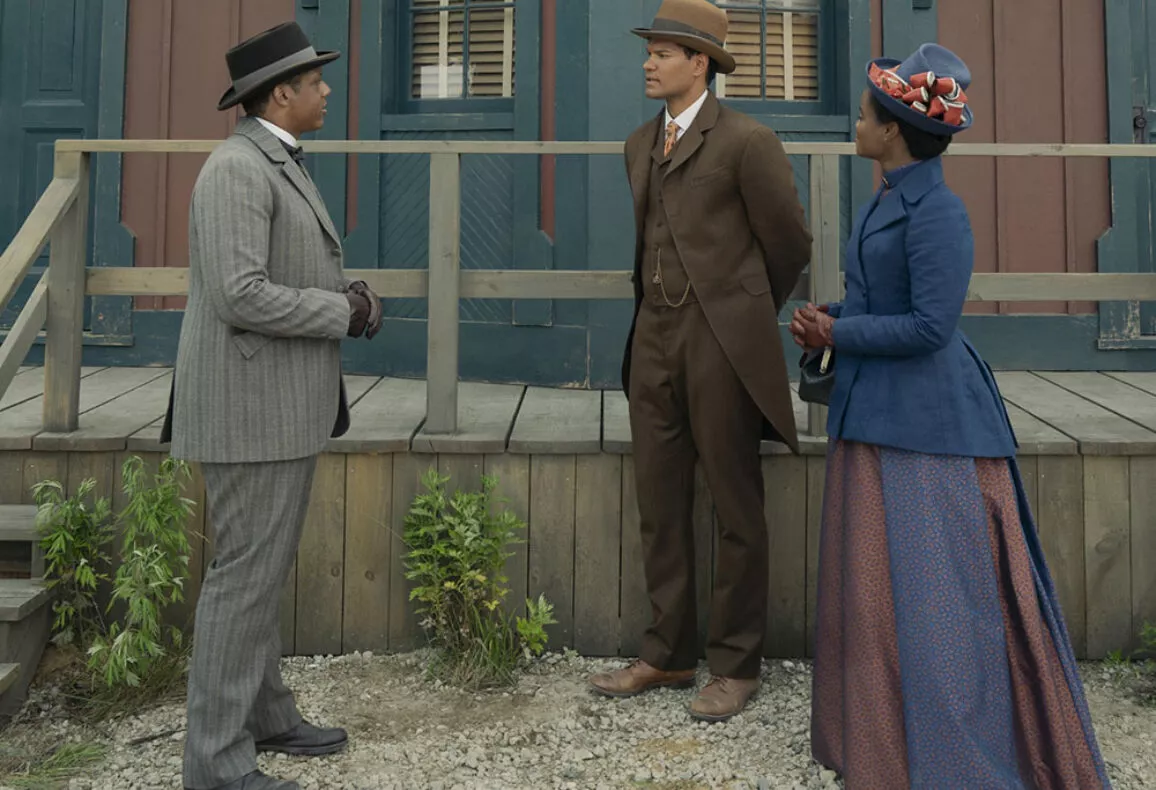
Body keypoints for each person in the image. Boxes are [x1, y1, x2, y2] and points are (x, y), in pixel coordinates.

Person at [790, 43, 1112, 789]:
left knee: (939, 607)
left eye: (868, 114)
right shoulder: (890, 195)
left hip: (930, 431)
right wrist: (831, 316)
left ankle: (959, 757)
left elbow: (931, 326)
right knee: (873, 597)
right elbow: (885, 305)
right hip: (878, 417)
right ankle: (885, 747)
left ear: (894, 130)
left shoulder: (939, 212)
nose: (859, 122)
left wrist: (836, 333)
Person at [159, 21, 383, 790]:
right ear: (280, 93)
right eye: (315, 80)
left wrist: (345, 296)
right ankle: (216, 765)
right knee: (243, 580)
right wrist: (341, 312)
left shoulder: (271, 160)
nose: (326, 89)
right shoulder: (236, 170)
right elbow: (239, 294)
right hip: (249, 412)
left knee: (256, 572)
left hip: (276, 407)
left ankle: (266, 714)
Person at [587, 0, 813, 722]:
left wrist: (740, 309)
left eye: (662, 51)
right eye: (649, 51)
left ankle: (737, 664)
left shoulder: (748, 141)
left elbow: (788, 244)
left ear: (701, 62)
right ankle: (668, 653)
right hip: (650, 337)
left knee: (734, 503)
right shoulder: (636, 143)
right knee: (659, 500)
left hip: (721, 341)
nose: (649, 62)